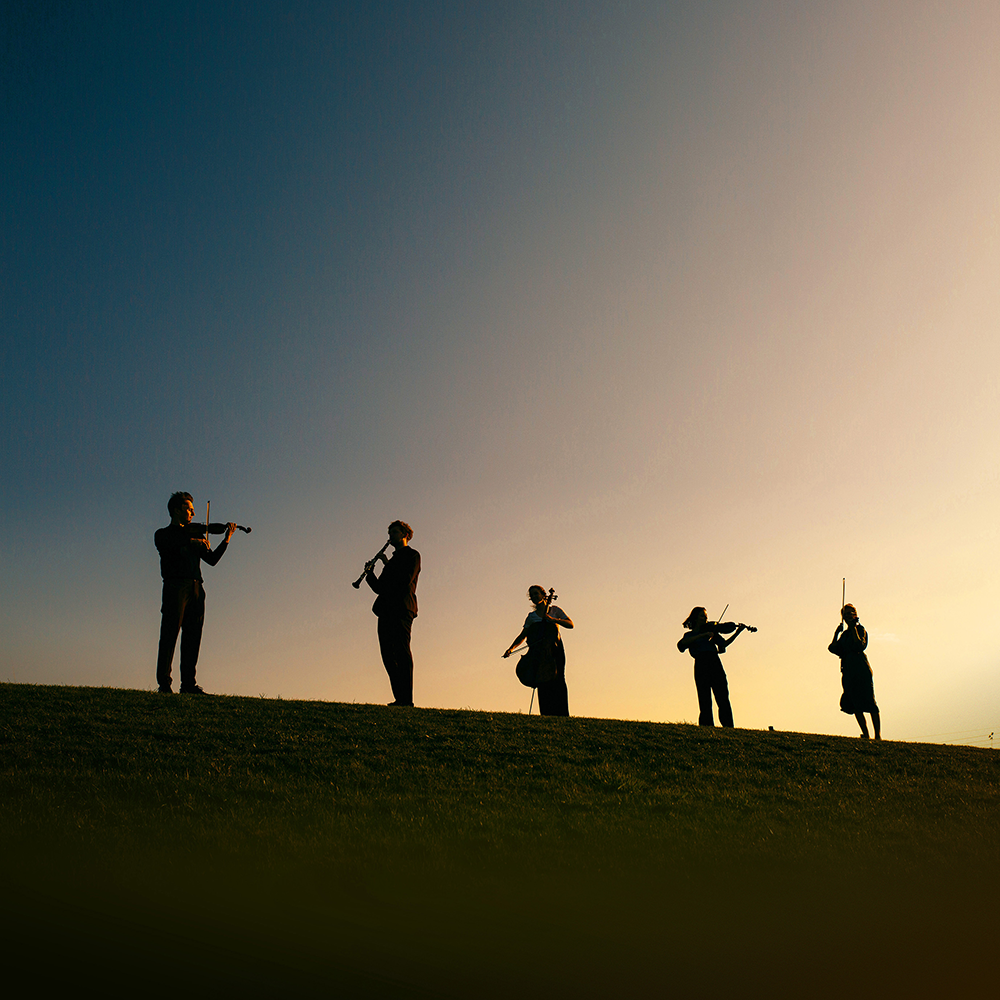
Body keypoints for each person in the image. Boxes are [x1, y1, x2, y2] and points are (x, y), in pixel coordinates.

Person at [154, 492, 237, 694]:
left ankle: (188, 685)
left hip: (197, 588)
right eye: (189, 508)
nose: (193, 512)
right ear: (176, 510)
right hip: (176, 587)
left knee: (193, 636)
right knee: (169, 634)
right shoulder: (163, 534)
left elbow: (212, 560)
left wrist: (226, 539)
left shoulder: (197, 534)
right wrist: (191, 542)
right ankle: (164, 684)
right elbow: (170, 546)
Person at [365, 520, 420, 706]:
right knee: (388, 655)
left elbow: (404, 580)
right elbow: (380, 588)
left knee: (402, 653)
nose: (391, 536)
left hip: (402, 609)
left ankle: (406, 700)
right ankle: (400, 698)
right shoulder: (392, 561)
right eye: (390, 533)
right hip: (386, 610)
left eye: (395, 532)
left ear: (405, 534)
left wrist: (387, 565)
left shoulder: (412, 555)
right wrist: (370, 574)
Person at [502, 585, 573, 716]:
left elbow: (570, 624)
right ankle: (546, 713)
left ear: (543, 594)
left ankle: (562, 714)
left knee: (559, 679)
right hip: (538, 652)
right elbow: (523, 635)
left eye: (536, 594)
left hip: (555, 650)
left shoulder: (555, 610)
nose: (534, 597)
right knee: (542, 680)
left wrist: (554, 620)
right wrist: (511, 648)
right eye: (532, 595)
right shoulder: (531, 617)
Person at [677, 607, 750, 727]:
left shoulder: (712, 632)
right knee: (705, 700)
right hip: (701, 664)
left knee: (723, 698)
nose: (705, 619)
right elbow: (681, 645)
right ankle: (707, 727)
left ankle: (728, 727)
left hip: (715, 663)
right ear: (695, 618)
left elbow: (723, 644)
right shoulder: (690, 635)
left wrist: (737, 632)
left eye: (706, 616)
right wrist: (703, 635)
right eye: (702, 616)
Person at [829, 604, 881, 740]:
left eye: (850, 613)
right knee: (855, 704)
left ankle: (877, 735)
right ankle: (866, 734)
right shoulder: (844, 635)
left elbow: (860, 645)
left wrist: (853, 629)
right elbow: (832, 648)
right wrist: (836, 634)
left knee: (870, 702)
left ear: (855, 615)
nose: (847, 616)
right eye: (845, 614)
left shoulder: (860, 629)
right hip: (848, 670)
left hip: (861, 669)